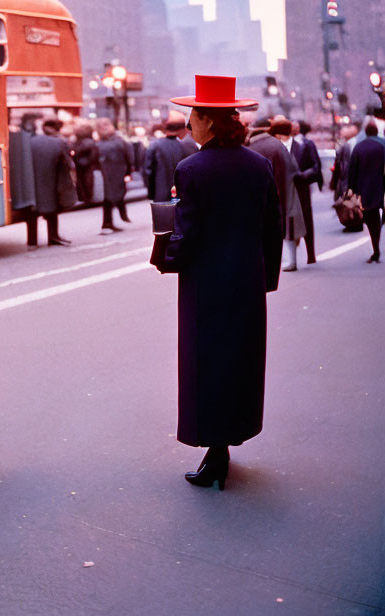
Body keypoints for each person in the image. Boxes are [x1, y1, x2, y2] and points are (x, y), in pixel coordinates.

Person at [152, 75, 282, 491]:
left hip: (205, 283)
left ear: (209, 120)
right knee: (240, 363)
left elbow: (186, 233)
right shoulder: (258, 165)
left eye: (192, 114)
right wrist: (267, 278)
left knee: (204, 363)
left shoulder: (191, 168)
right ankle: (227, 443)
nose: (188, 122)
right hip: (246, 279)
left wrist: (167, 260)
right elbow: (271, 228)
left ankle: (215, 451)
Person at [247, 118, 305, 272]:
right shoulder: (277, 145)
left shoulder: (253, 146)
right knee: (288, 226)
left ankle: (287, 261)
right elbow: (294, 168)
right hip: (288, 189)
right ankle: (290, 260)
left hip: (270, 193)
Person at [26, 118, 75, 246]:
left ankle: (32, 241)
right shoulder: (59, 142)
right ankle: (53, 237)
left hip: (32, 181)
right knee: (53, 209)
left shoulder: (30, 141)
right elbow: (69, 163)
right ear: (57, 129)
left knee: (33, 211)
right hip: (52, 180)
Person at [348, 123, 385, 262]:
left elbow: (352, 171)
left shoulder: (359, 147)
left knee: (370, 219)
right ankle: (376, 245)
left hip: (364, 190)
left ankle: (375, 247)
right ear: (376, 132)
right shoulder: (382, 146)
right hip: (380, 187)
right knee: (378, 219)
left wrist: (351, 190)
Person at [291, 121, 323, 263]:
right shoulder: (283, 144)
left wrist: (304, 175)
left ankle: (311, 253)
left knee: (306, 218)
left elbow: (316, 166)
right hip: (289, 185)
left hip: (302, 185)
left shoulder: (307, 144)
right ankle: (292, 254)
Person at [95, 117, 133, 233]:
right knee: (112, 197)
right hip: (115, 173)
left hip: (108, 174)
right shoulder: (119, 141)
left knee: (109, 198)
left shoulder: (99, 143)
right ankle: (109, 222)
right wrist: (128, 171)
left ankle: (108, 223)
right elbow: (128, 157)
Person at [143, 113, 188, 202]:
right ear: (182, 129)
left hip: (160, 196)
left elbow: (148, 172)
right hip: (183, 196)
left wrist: (151, 192)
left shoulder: (154, 146)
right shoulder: (187, 146)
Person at [71, 122, 100, 204]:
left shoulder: (81, 143)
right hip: (88, 166)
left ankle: (84, 196)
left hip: (83, 166)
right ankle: (87, 197)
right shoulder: (90, 142)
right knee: (87, 181)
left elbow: (76, 152)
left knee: (83, 181)